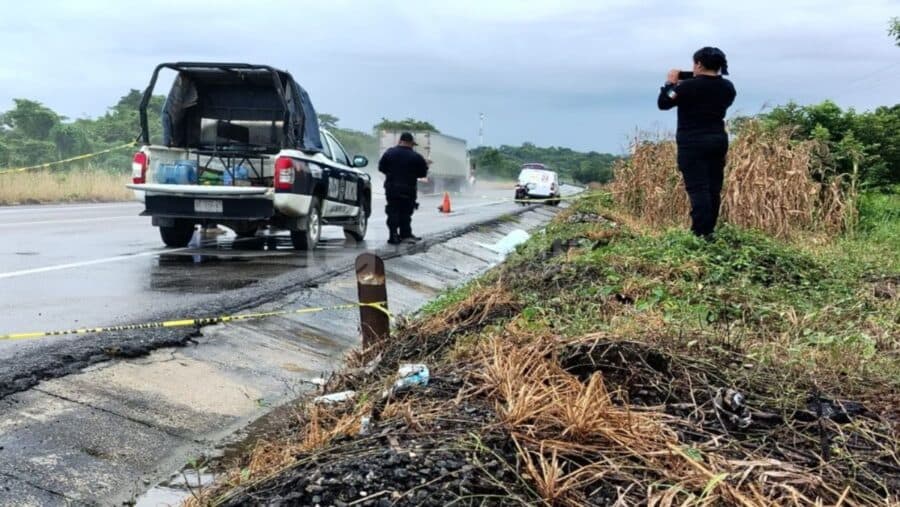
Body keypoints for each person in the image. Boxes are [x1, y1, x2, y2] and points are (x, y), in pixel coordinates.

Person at [657, 46, 736, 240]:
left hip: (692, 142)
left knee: (698, 188)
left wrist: (670, 83)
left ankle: (700, 233)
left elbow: (664, 102)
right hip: (717, 140)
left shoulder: (685, 87)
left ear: (699, 64)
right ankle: (709, 231)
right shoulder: (728, 87)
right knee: (713, 187)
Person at [378, 132, 429, 244]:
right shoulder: (416, 157)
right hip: (408, 189)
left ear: (400, 141)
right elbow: (422, 174)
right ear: (411, 143)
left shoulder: (389, 153)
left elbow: (381, 168)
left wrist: (391, 173)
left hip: (392, 188)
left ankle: (393, 235)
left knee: (393, 211)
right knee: (406, 212)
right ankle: (405, 234)